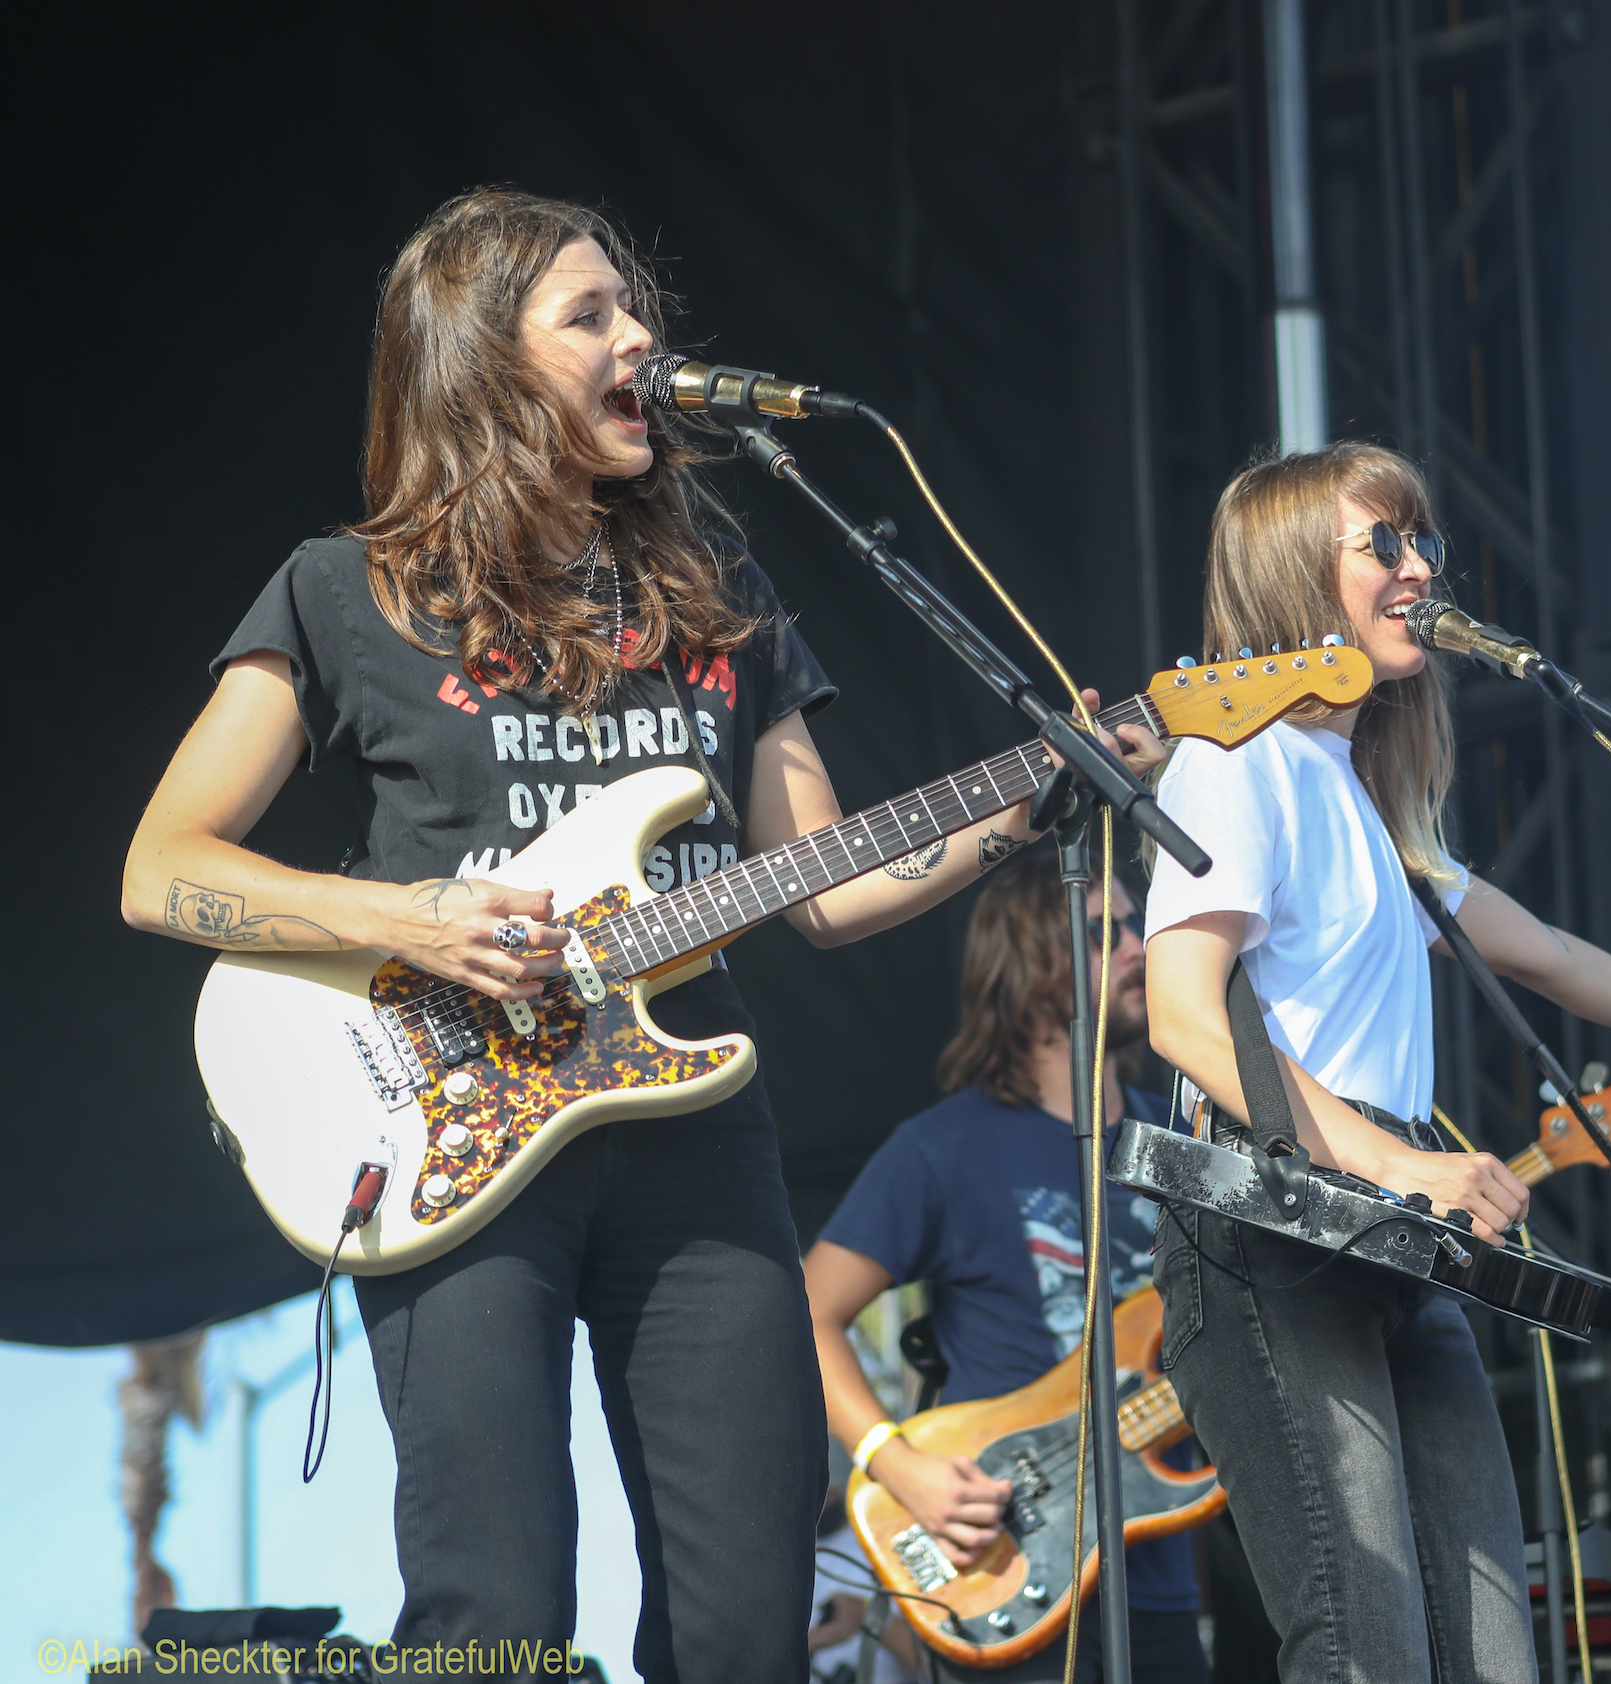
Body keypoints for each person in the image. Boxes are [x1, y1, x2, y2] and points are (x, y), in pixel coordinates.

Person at [119, 188, 1155, 1682]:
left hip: (692, 1143)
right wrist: (407, 912)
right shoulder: (347, 591)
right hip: (443, 1131)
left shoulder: (715, 593)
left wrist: (1033, 796)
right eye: (589, 315)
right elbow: (162, 869)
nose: (640, 337)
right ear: (479, 364)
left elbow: (829, 885)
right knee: (499, 1607)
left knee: (750, 1613)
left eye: (637, 307)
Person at [1138, 443, 1611, 1684]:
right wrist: (1400, 1163)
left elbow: (1538, 950)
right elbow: (1183, 1015)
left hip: (1392, 1235)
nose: (1419, 564)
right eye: (1382, 542)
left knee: (1496, 1655)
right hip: (1273, 1230)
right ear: (1289, 570)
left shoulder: (1367, 805)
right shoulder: (1235, 759)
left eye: (1421, 540)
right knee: (1362, 1640)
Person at [805, 849, 1210, 1684]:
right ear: (1028, 962)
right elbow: (807, 1312)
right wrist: (893, 1462)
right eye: (1105, 932)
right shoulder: (942, 1149)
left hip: (1156, 1572)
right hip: (1004, 1556)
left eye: (1138, 925)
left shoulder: (1180, 1149)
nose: (1139, 947)